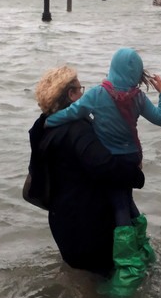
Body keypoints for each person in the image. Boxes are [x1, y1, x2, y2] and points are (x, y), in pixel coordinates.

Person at [44, 47, 161, 297]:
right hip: (132, 159)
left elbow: (73, 112)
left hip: (112, 162)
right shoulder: (138, 98)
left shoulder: (98, 94)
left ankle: (127, 267)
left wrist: (48, 121)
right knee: (128, 201)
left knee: (120, 205)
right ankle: (144, 249)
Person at [25, 65, 145, 277]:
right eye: (80, 89)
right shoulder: (77, 130)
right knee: (105, 287)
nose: (83, 93)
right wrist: (137, 174)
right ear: (71, 95)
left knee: (80, 283)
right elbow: (105, 167)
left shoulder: (42, 126)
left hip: (62, 223)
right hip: (90, 228)